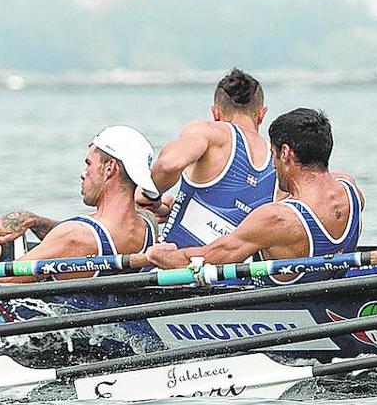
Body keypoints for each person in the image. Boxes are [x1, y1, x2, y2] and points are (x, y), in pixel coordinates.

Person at [0, 125, 158, 280]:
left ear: (109, 168)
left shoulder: (74, 236)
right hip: (101, 312)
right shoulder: (148, 227)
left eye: (88, 164)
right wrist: (34, 222)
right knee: (4, 246)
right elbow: (91, 240)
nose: (83, 173)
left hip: (40, 322)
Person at [146, 108, 362, 284]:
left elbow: (210, 259)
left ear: (285, 153)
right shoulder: (353, 193)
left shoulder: (277, 219)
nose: (274, 166)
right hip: (322, 295)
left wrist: (164, 256)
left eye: (273, 156)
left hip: (277, 314)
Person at [142, 68, 277, 247]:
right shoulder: (279, 160)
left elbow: (168, 165)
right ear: (261, 114)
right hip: (237, 273)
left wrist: (149, 195)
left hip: (175, 270)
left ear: (215, 113)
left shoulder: (212, 133)